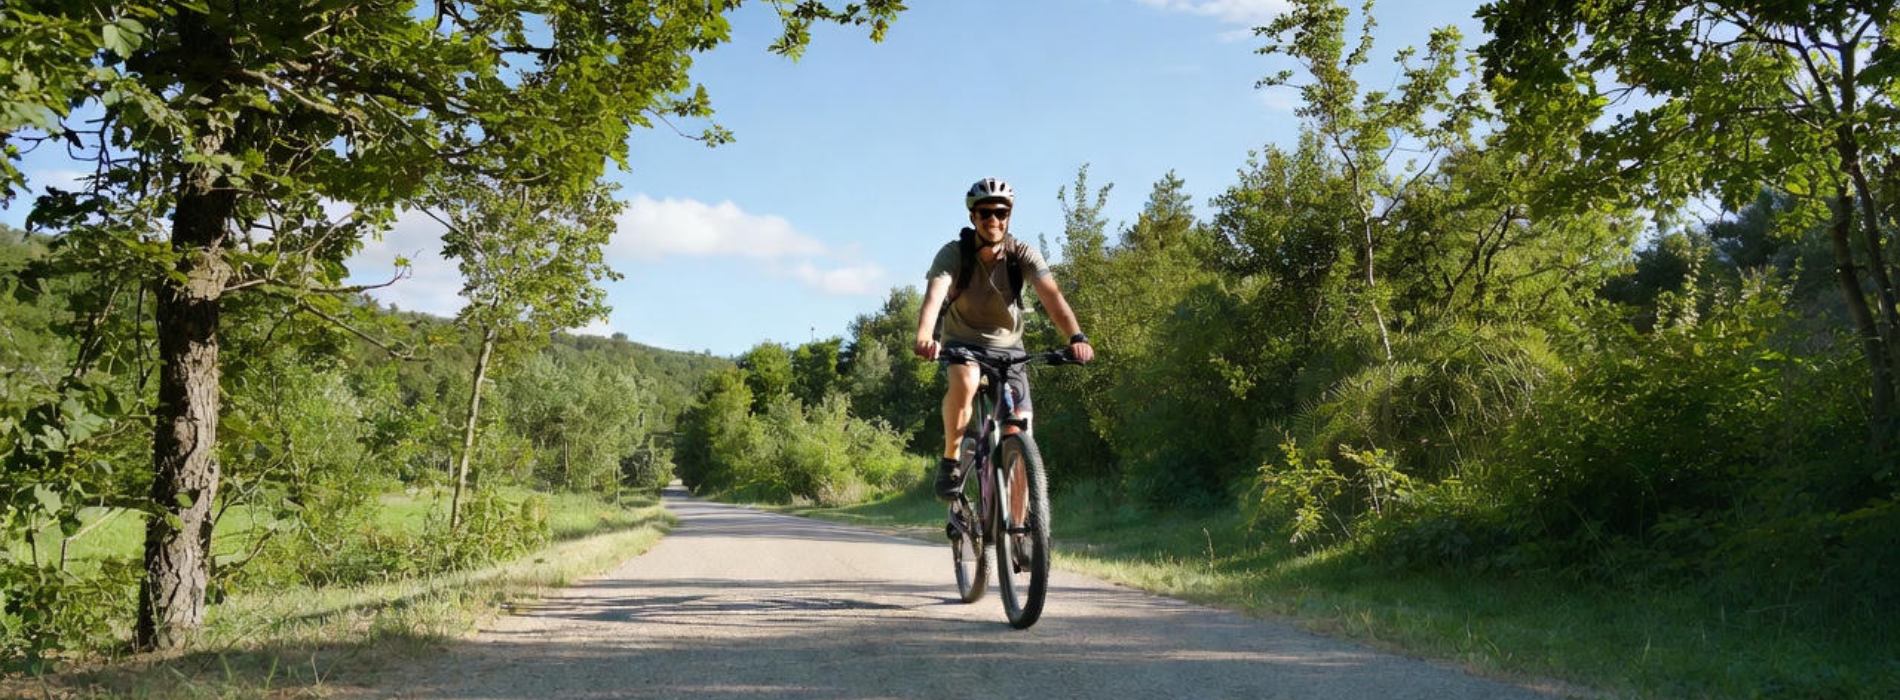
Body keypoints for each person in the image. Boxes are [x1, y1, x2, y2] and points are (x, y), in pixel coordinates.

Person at [913, 177, 1095, 500]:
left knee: (1019, 430)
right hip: (962, 343)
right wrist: (925, 336)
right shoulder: (954, 254)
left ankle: (1025, 534)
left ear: (1009, 216)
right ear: (973, 218)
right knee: (966, 381)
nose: (993, 220)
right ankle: (951, 459)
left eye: (1000, 213)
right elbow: (933, 297)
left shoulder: (1022, 254)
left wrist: (1076, 336)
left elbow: (1053, 299)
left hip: (1010, 349)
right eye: (985, 213)